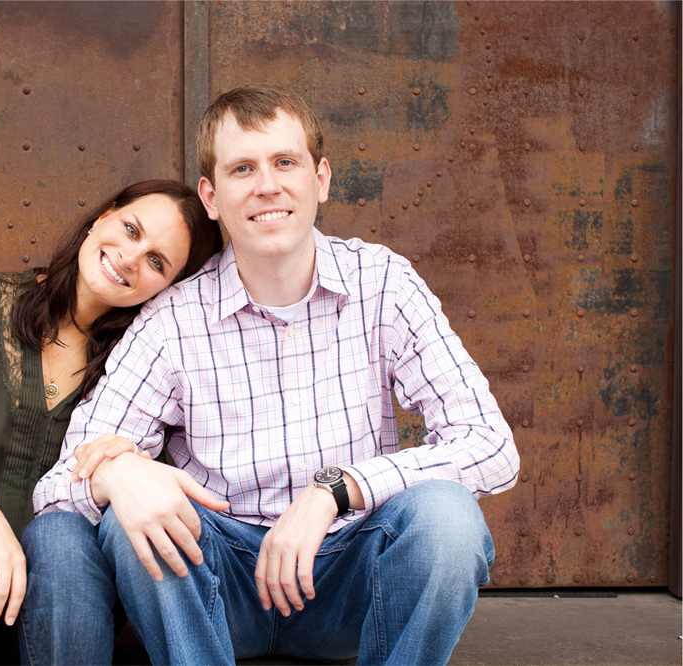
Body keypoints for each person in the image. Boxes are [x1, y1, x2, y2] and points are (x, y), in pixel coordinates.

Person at [28, 85, 521, 665]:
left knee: (448, 519)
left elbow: (491, 446)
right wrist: (119, 478)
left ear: (321, 179)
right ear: (211, 197)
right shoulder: (171, 320)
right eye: (243, 168)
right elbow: (58, 488)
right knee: (133, 519)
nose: (267, 186)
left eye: (285, 162)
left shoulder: (384, 283)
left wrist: (336, 490)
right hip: (218, 583)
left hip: (350, 581)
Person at [0, 179, 223, 666]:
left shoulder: (149, 364)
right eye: (131, 229)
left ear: (171, 288)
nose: (131, 258)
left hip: (68, 605)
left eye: (158, 261)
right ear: (103, 216)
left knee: (62, 538)